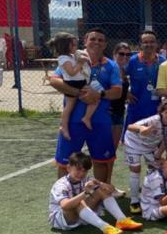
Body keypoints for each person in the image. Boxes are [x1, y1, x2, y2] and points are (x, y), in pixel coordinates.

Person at [48, 28, 123, 184]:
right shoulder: (72, 58)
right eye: (93, 39)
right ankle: (62, 199)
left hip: (100, 121)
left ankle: (97, 198)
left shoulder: (111, 66)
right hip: (73, 122)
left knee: (101, 162)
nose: (96, 42)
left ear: (105, 45)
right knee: (65, 163)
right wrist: (79, 92)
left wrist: (98, 95)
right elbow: (54, 80)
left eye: (101, 40)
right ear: (85, 41)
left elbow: (117, 92)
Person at [48, 152, 142, 234]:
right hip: (63, 220)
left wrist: (101, 184)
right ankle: (105, 228)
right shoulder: (61, 184)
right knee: (79, 202)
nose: (81, 173)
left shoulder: (86, 179)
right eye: (78, 169)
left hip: (79, 215)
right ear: (68, 168)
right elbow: (65, 206)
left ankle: (122, 220)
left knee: (100, 190)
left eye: (84, 171)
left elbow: (111, 190)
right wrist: (85, 193)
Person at [124, 99, 167, 215]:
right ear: (162, 112)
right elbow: (130, 127)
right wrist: (142, 129)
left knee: (156, 167)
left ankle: (150, 194)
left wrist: (158, 153)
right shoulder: (154, 120)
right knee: (136, 169)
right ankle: (134, 201)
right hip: (133, 142)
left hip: (150, 145)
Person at [49, 32, 95, 140]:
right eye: (73, 45)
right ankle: (64, 126)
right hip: (73, 83)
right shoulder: (63, 58)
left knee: (93, 100)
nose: (76, 47)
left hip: (80, 82)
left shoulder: (71, 55)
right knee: (69, 106)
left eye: (76, 44)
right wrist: (80, 63)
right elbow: (71, 72)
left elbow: (82, 58)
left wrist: (84, 58)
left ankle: (85, 118)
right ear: (65, 46)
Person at [125, 30, 164, 127]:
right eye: (145, 42)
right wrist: (125, 92)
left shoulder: (163, 62)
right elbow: (119, 73)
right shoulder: (132, 61)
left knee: (154, 139)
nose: (149, 44)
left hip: (156, 108)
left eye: (152, 42)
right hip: (136, 107)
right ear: (140, 45)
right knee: (132, 138)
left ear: (156, 44)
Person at [109, 42, 132, 153]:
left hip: (119, 112)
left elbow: (120, 88)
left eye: (128, 55)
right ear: (114, 54)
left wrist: (127, 93)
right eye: (121, 54)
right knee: (104, 150)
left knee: (112, 150)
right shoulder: (109, 69)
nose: (125, 57)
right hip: (108, 113)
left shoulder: (123, 71)